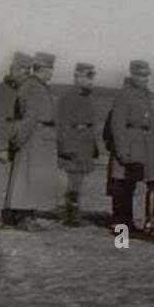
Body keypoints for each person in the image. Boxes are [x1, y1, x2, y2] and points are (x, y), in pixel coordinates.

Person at [104, 60, 154, 233]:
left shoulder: (144, 95)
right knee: (124, 185)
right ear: (132, 75)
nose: (144, 79)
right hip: (130, 145)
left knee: (153, 182)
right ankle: (122, 225)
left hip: (146, 146)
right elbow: (117, 126)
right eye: (140, 75)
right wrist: (123, 153)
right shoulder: (124, 95)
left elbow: (151, 123)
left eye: (146, 75)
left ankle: (150, 222)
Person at [7, 51, 61, 229]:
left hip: (40, 138)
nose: (52, 73)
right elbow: (29, 117)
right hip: (33, 138)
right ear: (42, 68)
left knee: (34, 178)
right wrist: (19, 140)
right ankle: (23, 218)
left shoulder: (38, 86)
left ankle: (29, 216)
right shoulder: (32, 87)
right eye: (50, 69)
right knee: (27, 178)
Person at [0, 51, 31, 227]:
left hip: (17, 143)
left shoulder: (23, 90)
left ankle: (11, 213)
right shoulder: (2, 91)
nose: (24, 73)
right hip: (4, 143)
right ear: (12, 69)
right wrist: (0, 147)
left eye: (27, 70)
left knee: (13, 182)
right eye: (21, 69)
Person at [56, 62, 99, 226]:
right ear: (77, 76)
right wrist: (66, 148)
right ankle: (71, 216)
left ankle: (73, 213)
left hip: (85, 144)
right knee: (73, 181)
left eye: (92, 77)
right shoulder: (69, 97)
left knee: (79, 181)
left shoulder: (87, 97)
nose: (91, 80)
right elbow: (63, 124)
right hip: (74, 145)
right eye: (88, 76)